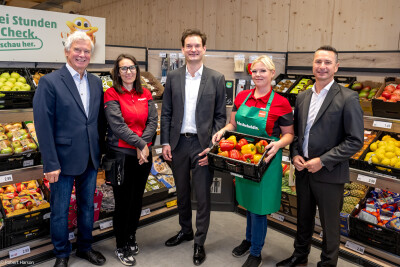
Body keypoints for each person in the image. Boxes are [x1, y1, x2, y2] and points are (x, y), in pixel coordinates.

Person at [276, 46, 364, 267]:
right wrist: (295, 154)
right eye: (318, 62)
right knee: (303, 219)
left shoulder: (348, 97)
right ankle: (300, 256)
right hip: (303, 169)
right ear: (312, 65)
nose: (322, 67)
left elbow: (355, 140)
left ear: (336, 66)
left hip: (330, 174)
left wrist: (323, 160)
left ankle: (327, 263)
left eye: (327, 62)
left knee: (329, 225)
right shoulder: (304, 96)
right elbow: (298, 132)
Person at [33, 31, 106, 267]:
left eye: (87, 51)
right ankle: (62, 254)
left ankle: (85, 247)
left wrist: (101, 152)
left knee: (87, 207)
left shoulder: (95, 82)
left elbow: (97, 121)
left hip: (90, 159)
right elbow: (43, 125)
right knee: (60, 211)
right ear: (67, 51)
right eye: (77, 50)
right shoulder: (50, 82)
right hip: (61, 161)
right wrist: (50, 163)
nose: (82, 55)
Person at [213, 55, 294, 267]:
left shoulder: (280, 102)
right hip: (244, 156)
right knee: (248, 204)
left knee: (259, 208)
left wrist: (278, 145)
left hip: (267, 159)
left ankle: (256, 252)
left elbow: (289, 134)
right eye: (255, 71)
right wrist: (222, 130)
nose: (258, 75)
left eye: (263, 71)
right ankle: (249, 240)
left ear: (272, 73)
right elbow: (233, 126)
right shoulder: (242, 97)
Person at [160, 28, 226, 266]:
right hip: (177, 144)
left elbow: (220, 117)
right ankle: (185, 230)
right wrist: (165, 142)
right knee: (182, 193)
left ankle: (199, 241)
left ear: (204, 49)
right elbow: (166, 113)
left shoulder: (217, 79)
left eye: (197, 45)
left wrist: (212, 147)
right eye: (189, 45)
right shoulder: (174, 78)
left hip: (202, 146)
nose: (193, 49)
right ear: (182, 49)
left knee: (203, 196)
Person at [104, 54, 157, 266]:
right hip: (121, 156)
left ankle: (132, 234)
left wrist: (143, 145)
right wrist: (140, 144)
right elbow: (117, 126)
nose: (128, 72)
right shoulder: (111, 94)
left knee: (136, 199)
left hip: (143, 155)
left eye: (132, 67)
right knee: (123, 201)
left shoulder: (145, 93)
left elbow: (152, 121)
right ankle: (121, 244)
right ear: (117, 72)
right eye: (123, 68)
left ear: (137, 70)